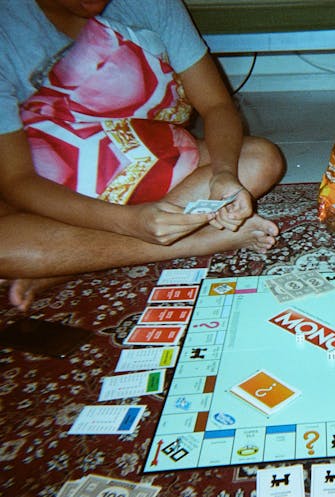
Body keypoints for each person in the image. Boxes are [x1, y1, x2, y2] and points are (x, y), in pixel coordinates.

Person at [0, 0, 285, 311]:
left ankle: (73, 258)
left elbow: (216, 105)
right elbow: (17, 179)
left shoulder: (152, 3)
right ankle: (192, 242)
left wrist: (224, 174)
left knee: (260, 159)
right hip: (57, 193)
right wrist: (128, 223)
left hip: (159, 165)